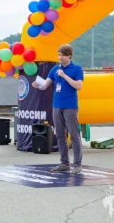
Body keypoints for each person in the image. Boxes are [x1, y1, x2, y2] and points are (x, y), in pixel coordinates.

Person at [32, 44, 84, 174]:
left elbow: (78, 86)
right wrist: (38, 85)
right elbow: (45, 85)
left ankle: (77, 165)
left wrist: (64, 75)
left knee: (74, 135)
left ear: (69, 55)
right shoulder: (55, 69)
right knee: (60, 135)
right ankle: (64, 163)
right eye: (59, 55)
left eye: (63, 55)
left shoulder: (76, 68)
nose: (60, 57)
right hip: (56, 105)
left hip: (70, 106)